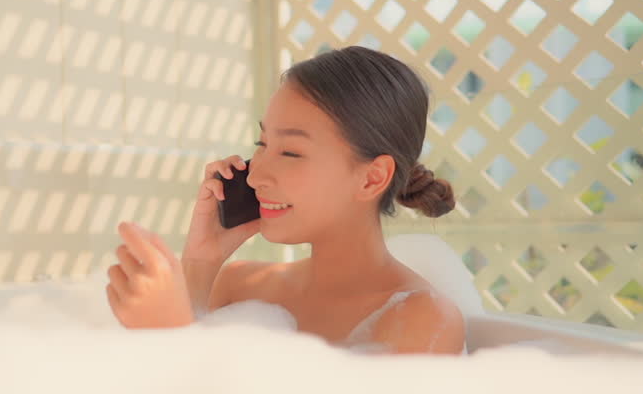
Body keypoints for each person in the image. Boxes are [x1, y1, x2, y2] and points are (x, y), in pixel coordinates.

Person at [105, 46, 465, 355]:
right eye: (262, 145)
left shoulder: (421, 319)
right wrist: (200, 262)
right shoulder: (236, 287)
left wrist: (172, 335)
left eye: (290, 152)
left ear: (372, 178)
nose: (256, 174)